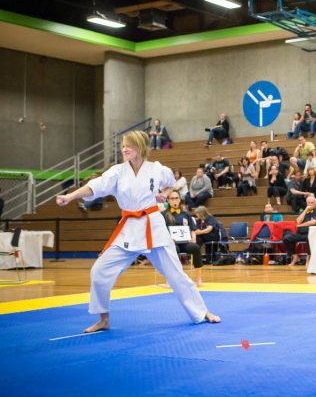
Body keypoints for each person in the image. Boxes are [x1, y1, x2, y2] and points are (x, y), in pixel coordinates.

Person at [55, 130, 219, 333]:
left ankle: (202, 312)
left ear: (140, 147)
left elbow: (170, 184)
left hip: (153, 227)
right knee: (99, 271)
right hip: (129, 229)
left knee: (176, 275)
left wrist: (164, 194)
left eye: (129, 146)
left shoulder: (157, 169)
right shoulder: (117, 172)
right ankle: (103, 318)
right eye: (123, 146)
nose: (124, 149)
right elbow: (94, 187)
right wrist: (71, 196)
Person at [163, 192, 204, 286]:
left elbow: (193, 229)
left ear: (179, 200)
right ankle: (170, 280)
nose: (174, 200)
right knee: (174, 249)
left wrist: (193, 238)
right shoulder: (163, 214)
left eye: (176, 198)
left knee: (195, 247)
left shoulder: (186, 214)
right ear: (168, 200)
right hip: (171, 243)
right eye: (172, 198)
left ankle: (198, 279)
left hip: (184, 242)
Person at [283, 195, 316, 266]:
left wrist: (301, 225)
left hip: (311, 233)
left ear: (315, 203)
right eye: (309, 202)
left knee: (309, 238)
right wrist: (305, 210)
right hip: (300, 233)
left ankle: (308, 257)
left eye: (312, 202)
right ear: (307, 203)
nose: (311, 204)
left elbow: (313, 222)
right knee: (287, 238)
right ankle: (295, 256)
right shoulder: (302, 212)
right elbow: (298, 221)